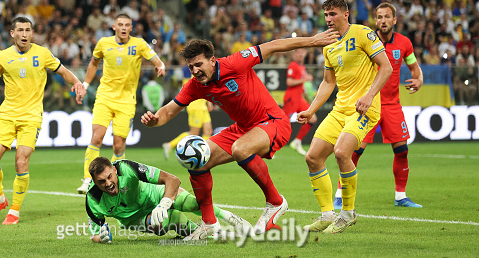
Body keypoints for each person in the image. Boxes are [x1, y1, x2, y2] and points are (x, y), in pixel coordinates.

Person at [141, 30, 338, 239]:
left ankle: (275, 202)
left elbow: (273, 45)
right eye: (191, 67)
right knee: (197, 160)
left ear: (212, 60)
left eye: (199, 64)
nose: (195, 71)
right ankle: (209, 223)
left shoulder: (235, 63)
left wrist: (312, 41)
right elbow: (168, 111)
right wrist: (155, 120)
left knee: (241, 149)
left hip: (272, 121)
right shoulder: (195, 86)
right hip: (243, 128)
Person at [0, 17, 86, 225]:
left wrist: (78, 82)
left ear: (32, 33)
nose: (24, 34)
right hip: (7, 115)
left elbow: (63, 71)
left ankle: (14, 211)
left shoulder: (43, 54)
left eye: (28, 30)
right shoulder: (2, 56)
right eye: (20, 30)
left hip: (32, 116)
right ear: (12, 33)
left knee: (21, 161)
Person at [296, 0, 391, 234]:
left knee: (341, 152)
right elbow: (328, 83)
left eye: (333, 14)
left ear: (345, 14)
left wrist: (369, 96)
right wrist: (310, 110)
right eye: (326, 15)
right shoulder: (328, 43)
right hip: (340, 109)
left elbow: (386, 67)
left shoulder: (363, 33)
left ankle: (348, 213)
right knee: (313, 157)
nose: (328, 19)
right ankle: (328, 214)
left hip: (364, 108)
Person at [333, 3, 423, 209]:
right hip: (368, 104)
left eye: (387, 17)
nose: (383, 21)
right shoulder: (366, 39)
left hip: (392, 105)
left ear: (394, 20)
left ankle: (401, 197)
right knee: (353, 152)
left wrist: (419, 80)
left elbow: (415, 69)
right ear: (376, 20)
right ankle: (340, 194)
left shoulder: (404, 44)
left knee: (402, 151)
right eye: (379, 17)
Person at [77, 14, 166, 195]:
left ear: (131, 28)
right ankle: (88, 179)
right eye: (120, 24)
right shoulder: (103, 43)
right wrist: (85, 85)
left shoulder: (139, 44)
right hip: (104, 98)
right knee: (97, 137)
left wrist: (160, 65)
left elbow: (156, 59)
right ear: (114, 26)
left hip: (126, 101)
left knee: (118, 145)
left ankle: (113, 179)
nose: (123, 27)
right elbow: (93, 64)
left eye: (127, 25)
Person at [85, 156, 250, 243]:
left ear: (114, 169)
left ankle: (227, 216)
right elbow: (95, 235)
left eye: (110, 177)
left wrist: (164, 204)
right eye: (101, 181)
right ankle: (208, 233)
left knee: (191, 203)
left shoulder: (127, 168)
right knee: (165, 224)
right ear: (93, 181)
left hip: (154, 193)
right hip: (135, 219)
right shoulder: (92, 200)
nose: (108, 184)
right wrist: (102, 239)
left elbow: (172, 180)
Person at [284, 48, 317, 156]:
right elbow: (289, 82)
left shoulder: (301, 66)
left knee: (312, 118)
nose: (300, 54)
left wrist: (306, 94)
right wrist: (305, 79)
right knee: (282, 122)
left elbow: (301, 85)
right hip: (292, 97)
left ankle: (297, 142)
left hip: (299, 97)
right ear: (294, 54)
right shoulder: (293, 65)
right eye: (298, 52)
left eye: (302, 52)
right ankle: (269, 146)